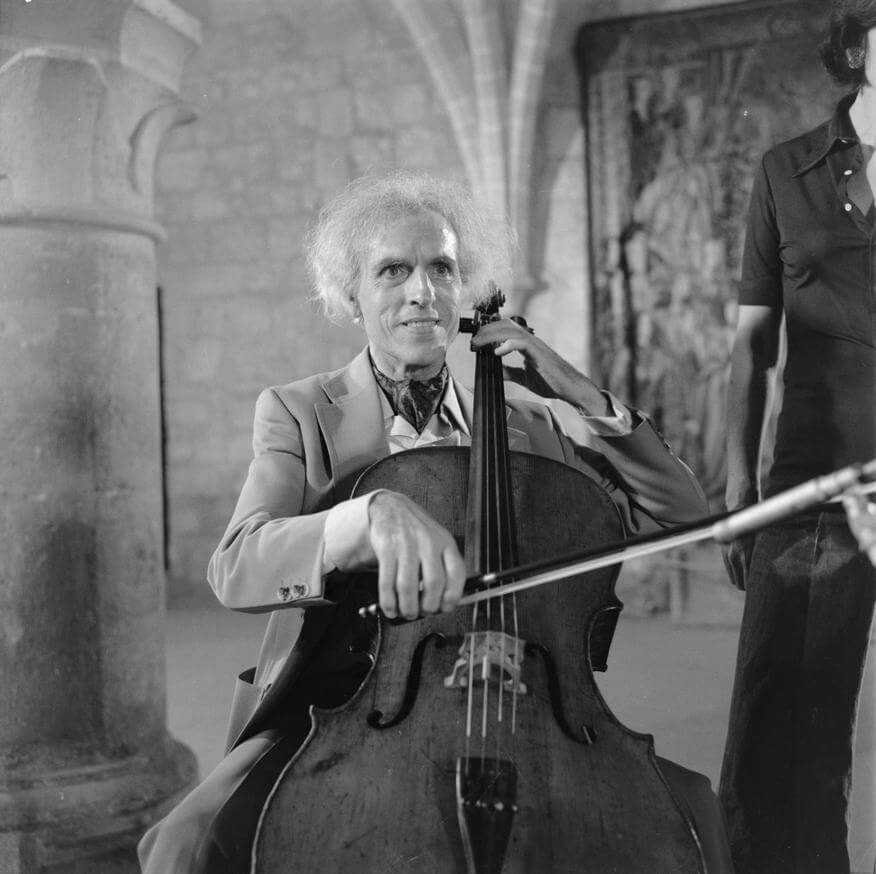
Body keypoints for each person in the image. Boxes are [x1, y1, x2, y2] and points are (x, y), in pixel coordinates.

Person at [138, 170, 731, 873]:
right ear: (350, 296)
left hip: (527, 704)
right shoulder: (299, 411)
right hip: (346, 701)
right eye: (393, 270)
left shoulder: (527, 421)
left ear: (463, 287)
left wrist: (577, 392)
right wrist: (365, 516)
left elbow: (684, 515)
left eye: (441, 269)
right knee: (187, 842)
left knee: (692, 811)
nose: (422, 292)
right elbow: (236, 565)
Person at [719, 4, 876, 872]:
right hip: (815, 480)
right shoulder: (787, 170)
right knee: (781, 738)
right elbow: (750, 344)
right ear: (857, 50)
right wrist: (740, 490)